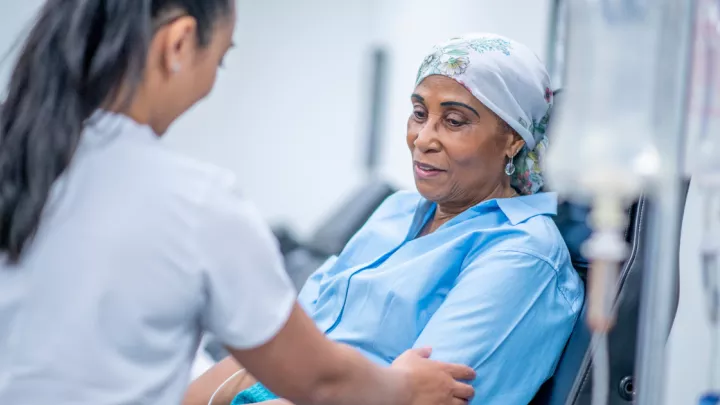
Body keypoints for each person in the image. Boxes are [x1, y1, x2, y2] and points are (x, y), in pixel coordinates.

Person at [0, 1, 477, 405]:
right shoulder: (194, 203)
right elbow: (318, 378)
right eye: (220, 59)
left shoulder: (20, 157)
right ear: (179, 44)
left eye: (452, 121)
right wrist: (405, 386)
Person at [186, 33, 585, 405]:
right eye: (418, 113)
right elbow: (283, 348)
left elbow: (426, 395)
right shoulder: (395, 211)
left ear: (513, 138)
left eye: (454, 120)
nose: (423, 138)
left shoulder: (523, 254)